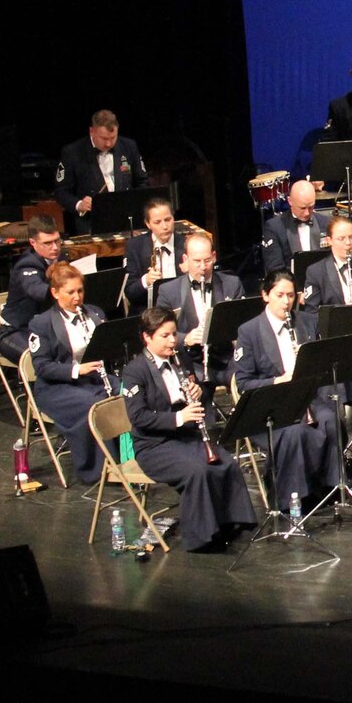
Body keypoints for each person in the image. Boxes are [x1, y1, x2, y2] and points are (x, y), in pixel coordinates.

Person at [119, 306, 255, 551]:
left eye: (174, 334)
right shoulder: (135, 371)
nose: (173, 340)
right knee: (197, 471)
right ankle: (202, 538)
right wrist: (179, 418)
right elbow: (138, 417)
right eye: (165, 336)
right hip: (154, 444)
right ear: (147, 337)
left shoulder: (179, 356)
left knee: (225, 461)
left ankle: (230, 521)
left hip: (184, 435)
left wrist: (198, 392)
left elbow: (200, 392)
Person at [232, 271, 345, 511]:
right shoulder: (249, 331)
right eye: (280, 295)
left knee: (332, 420)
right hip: (271, 406)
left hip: (306, 399)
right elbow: (243, 383)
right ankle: (293, 499)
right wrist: (279, 381)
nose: (286, 302)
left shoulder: (306, 322)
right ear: (265, 295)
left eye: (291, 295)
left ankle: (330, 490)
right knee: (294, 433)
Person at [24, 261, 111, 485]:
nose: (77, 297)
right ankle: (97, 469)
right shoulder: (41, 324)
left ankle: (127, 459)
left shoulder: (95, 314)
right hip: (56, 387)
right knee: (96, 403)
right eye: (70, 292)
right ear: (55, 293)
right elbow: (42, 367)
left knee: (125, 393)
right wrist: (75, 370)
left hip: (91, 379)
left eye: (80, 291)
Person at [154, 230, 243, 389]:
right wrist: (186, 338)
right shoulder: (168, 291)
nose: (203, 267)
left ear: (214, 256)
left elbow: (244, 324)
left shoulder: (232, 284)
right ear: (185, 259)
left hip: (227, 359)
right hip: (190, 363)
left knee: (247, 381)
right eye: (197, 261)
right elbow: (159, 331)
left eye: (207, 260)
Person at [55, 110, 147, 233]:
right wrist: (79, 204)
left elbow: (142, 182)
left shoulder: (129, 146)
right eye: (104, 138)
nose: (108, 143)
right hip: (91, 223)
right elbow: (61, 191)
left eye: (113, 137)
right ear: (92, 131)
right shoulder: (72, 152)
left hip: (127, 221)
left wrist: (135, 206)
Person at [0, 216, 66, 358]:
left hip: (48, 329)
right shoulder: (26, 264)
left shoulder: (62, 257)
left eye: (57, 241)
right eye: (47, 243)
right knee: (42, 356)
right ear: (32, 243)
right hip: (16, 331)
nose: (55, 247)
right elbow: (36, 290)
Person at [302, 215, 352, 309]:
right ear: (329, 241)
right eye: (341, 239)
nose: (348, 243)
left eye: (351, 237)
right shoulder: (316, 272)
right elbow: (312, 312)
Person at [122, 198, 185, 312]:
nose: (165, 226)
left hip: (181, 306)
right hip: (148, 310)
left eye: (168, 220)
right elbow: (129, 291)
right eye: (157, 222)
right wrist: (146, 280)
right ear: (148, 224)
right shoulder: (135, 246)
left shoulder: (186, 244)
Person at [261, 181, 328, 277]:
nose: (307, 213)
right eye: (302, 208)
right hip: (292, 286)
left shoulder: (325, 223)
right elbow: (275, 270)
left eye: (311, 207)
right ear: (290, 201)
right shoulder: (274, 227)